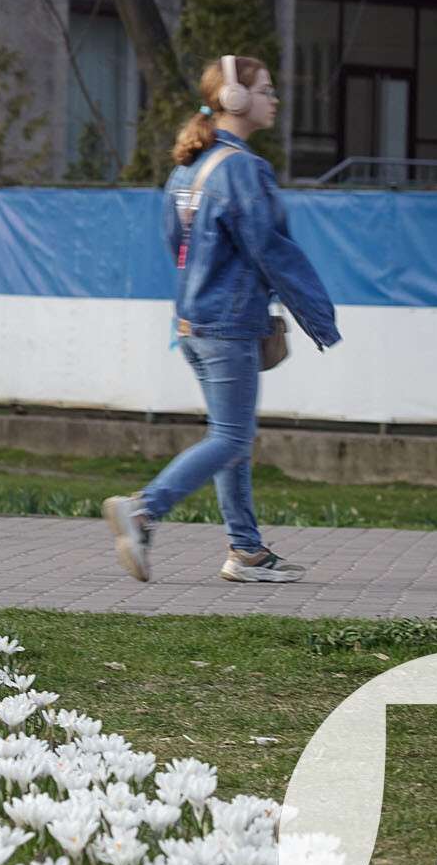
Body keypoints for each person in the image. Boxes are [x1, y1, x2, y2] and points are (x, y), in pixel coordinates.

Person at [103, 54, 341, 585]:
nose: (275, 100)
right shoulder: (244, 169)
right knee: (232, 439)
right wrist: (318, 316)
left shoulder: (188, 167)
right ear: (235, 100)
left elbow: (175, 243)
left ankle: (247, 551)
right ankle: (142, 511)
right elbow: (270, 248)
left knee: (228, 437)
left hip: (192, 324)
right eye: (266, 90)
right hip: (228, 325)